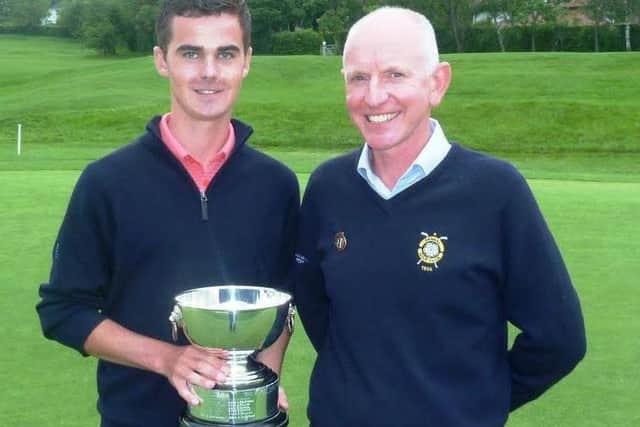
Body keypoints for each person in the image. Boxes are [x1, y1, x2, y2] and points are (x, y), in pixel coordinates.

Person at [294, 6, 586, 427]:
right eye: (358, 77)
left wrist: (477, 402)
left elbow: (560, 339)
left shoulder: (496, 190)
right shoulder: (327, 187)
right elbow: (317, 310)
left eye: (395, 74)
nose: (374, 96)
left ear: (437, 83)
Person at [36, 1, 299, 426]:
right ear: (163, 60)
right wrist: (168, 359)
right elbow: (63, 311)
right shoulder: (106, 182)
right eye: (191, 53)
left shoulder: (278, 185)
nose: (209, 71)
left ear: (246, 62)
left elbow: (283, 306)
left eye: (226, 53)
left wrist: (260, 384)